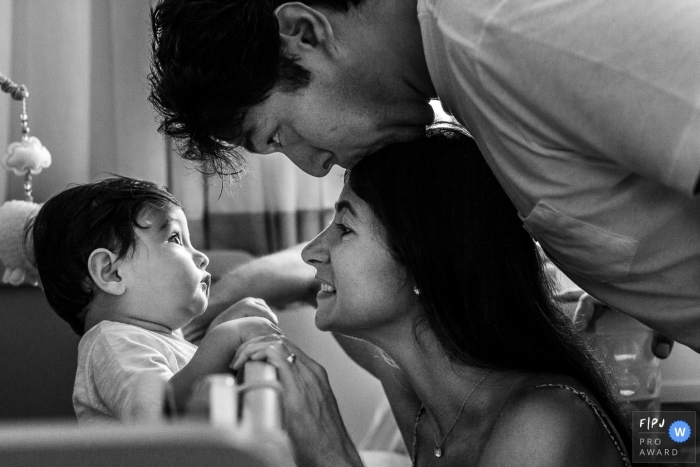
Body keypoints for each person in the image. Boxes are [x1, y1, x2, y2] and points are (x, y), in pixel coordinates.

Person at [148, 0, 700, 353]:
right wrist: (627, 280)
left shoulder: (506, 33)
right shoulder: (466, 82)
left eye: (277, 135)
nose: (314, 164)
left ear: (304, 32)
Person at [232, 127, 649, 467]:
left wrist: (330, 455)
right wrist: (211, 304)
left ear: (424, 263)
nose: (312, 251)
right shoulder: (422, 400)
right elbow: (300, 277)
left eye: (345, 228)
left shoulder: (541, 424)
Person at [29, 177, 281, 424]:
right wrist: (223, 340)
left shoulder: (162, 339)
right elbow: (160, 417)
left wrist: (217, 331)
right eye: (175, 239)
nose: (202, 257)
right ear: (112, 272)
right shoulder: (111, 343)